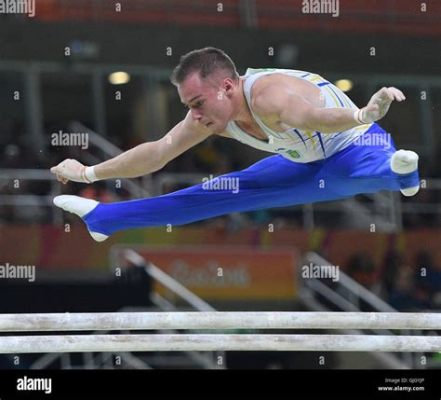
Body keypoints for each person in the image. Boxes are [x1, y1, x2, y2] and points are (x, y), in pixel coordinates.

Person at [50, 47, 420, 242]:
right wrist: (88, 172)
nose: (194, 114)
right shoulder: (209, 117)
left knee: (379, 169)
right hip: (303, 163)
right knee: (214, 193)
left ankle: (403, 175)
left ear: (227, 87)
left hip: (355, 146)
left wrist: (364, 115)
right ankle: (105, 219)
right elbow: (158, 152)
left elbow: (313, 118)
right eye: (188, 106)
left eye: (197, 103)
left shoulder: (270, 97)